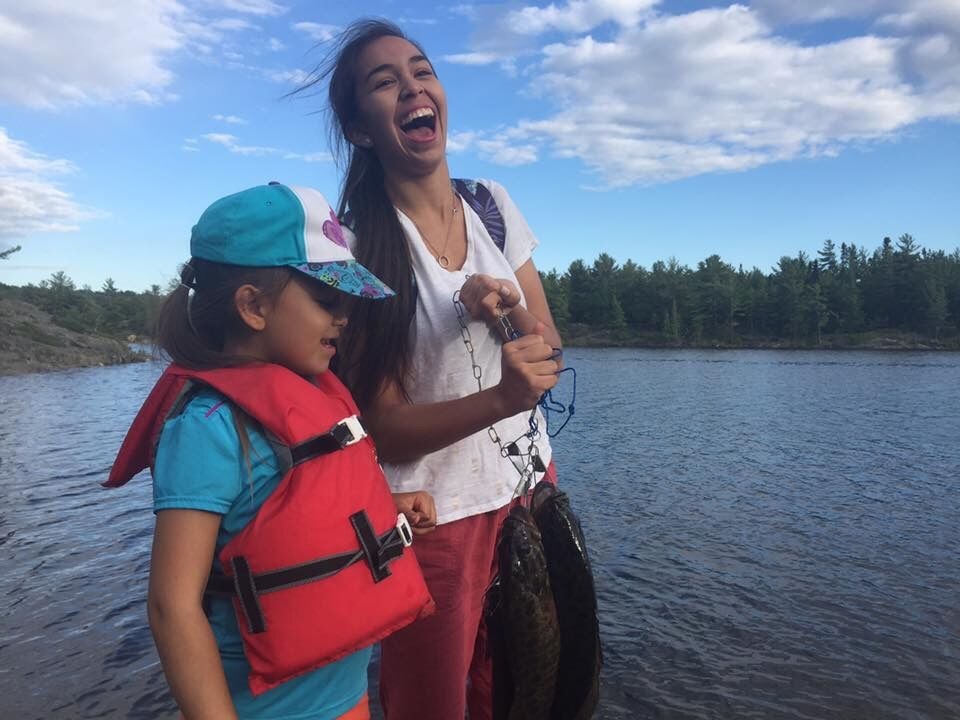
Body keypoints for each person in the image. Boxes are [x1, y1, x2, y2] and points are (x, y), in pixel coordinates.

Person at [302, 19, 564, 720]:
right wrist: (505, 397)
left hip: (531, 493)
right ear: (361, 130)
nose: (413, 87)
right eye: (385, 82)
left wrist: (507, 309)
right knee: (433, 705)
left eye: (421, 71)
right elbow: (382, 430)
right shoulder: (357, 249)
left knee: (529, 688)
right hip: (434, 521)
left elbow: (551, 352)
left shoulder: (492, 206)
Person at [104, 182, 437, 720]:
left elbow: (284, 513)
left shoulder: (315, 398)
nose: (344, 316)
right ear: (253, 306)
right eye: (327, 299)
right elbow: (172, 606)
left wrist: (387, 512)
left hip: (346, 697)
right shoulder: (208, 427)